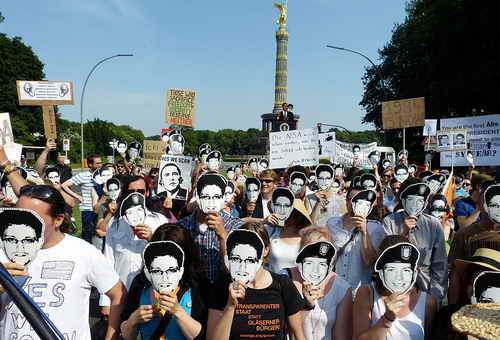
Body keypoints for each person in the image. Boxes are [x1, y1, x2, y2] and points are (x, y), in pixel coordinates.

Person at [0, 183, 126, 340]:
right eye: (18, 214)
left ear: (58, 220)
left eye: (32, 217)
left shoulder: (84, 252)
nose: (22, 223)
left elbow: (118, 293)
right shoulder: (2, 252)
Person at [207, 222, 305, 340]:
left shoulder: (283, 284)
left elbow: (296, 334)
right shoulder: (222, 286)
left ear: (265, 250)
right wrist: (230, 307)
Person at [120, 224, 208, 340]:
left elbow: (205, 336)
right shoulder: (141, 283)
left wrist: (177, 312)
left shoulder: (198, 284)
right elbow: (126, 336)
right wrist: (133, 320)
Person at [101, 176, 169, 315]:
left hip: (151, 294)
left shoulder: (160, 220)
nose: (136, 194)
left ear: (147, 193)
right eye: (131, 191)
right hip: (121, 293)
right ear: (124, 194)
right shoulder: (114, 223)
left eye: (141, 191)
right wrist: (105, 301)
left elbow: (168, 257)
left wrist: (151, 239)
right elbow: (108, 262)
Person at [353, 235, 437, 340]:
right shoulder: (367, 293)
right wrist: (387, 319)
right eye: (392, 270)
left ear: (414, 273)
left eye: (406, 270)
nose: (399, 278)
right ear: (382, 273)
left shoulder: (428, 302)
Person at [383, 181, 448, 302]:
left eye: (420, 201)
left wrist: (434, 297)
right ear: (403, 200)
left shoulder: (433, 224)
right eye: (411, 200)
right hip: (396, 287)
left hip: (425, 287)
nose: (415, 205)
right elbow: (386, 255)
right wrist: (404, 232)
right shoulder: (390, 221)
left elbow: (440, 264)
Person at [177, 173, 243, 282]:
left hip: (221, 291)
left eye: (216, 197)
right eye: (206, 197)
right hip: (191, 291)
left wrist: (223, 237)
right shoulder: (182, 227)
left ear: (223, 198)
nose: (211, 202)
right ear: (197, 197)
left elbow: (231, 269)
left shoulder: (235, 225)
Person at [291, 226, 353, 340]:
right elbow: (284, 327)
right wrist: (307, 305)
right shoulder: (286, 278)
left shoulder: (342, 288)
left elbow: (340, 336)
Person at [327, 186, 386, 293]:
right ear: (347, 201)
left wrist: (364, 232)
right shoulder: (332, 223)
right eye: (353, 200)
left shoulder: (376, 228)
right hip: (335, 289)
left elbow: (369, 261)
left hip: (360, 291)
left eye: (361, 202)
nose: (356, 205)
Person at [265, 187, 312, 275]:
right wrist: (263, 221)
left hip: (293, 285)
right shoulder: (270, 230)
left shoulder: (307, 239)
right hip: (270, 283)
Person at [61, 153, 103, 243]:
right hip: (88, 209)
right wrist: (78, 196)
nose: (100, 165)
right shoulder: (83, 176)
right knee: (88, 234)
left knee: (100, 233)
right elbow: (64, 185)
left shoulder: (104, 176)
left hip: (102, 209)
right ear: (90, 164)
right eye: (98, 163)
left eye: (101, 163)